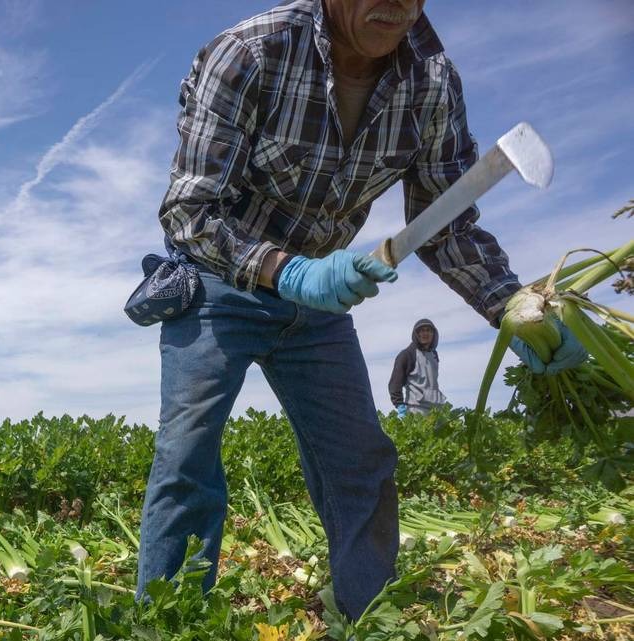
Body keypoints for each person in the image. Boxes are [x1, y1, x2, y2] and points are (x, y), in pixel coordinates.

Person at [134, 0, 587, 620]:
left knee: (360, 461)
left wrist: (508, 303)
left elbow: (445, 223)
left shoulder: (431, 82)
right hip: (218, 282)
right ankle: (170, 623)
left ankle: (367, 616)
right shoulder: (251, 51)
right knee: (187, 456)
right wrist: (287, 269)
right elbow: (191, 213)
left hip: (317, 307)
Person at [388, 319, 446, 416]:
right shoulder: (407, 355)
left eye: (428, 330)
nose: (425, 333)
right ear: (416, 334)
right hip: (416, 411)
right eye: (421, 330)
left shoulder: (434, 355)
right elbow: (395, 383)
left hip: (436, 410)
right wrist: (400, 406)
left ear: (433, 334)